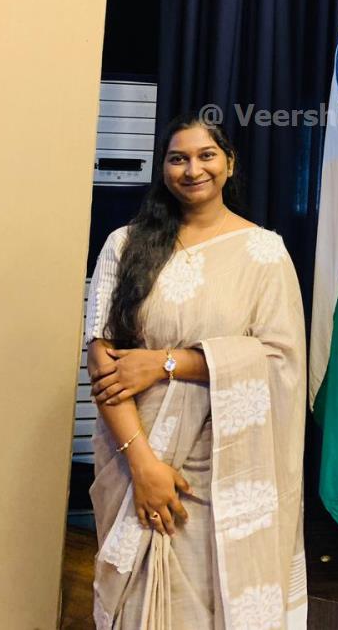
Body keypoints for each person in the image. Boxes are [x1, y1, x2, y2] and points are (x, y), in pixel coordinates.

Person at [85, 113, 307, 629]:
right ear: (163, 168)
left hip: (227, 467)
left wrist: (164, 363)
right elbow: (103, 366)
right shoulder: (125, 245)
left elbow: (280, 360)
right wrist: (143, 466)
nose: (192, 170)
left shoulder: (263, 252)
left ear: (229, 164)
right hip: (134, 455)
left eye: (206, 155)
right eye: (177, 158)